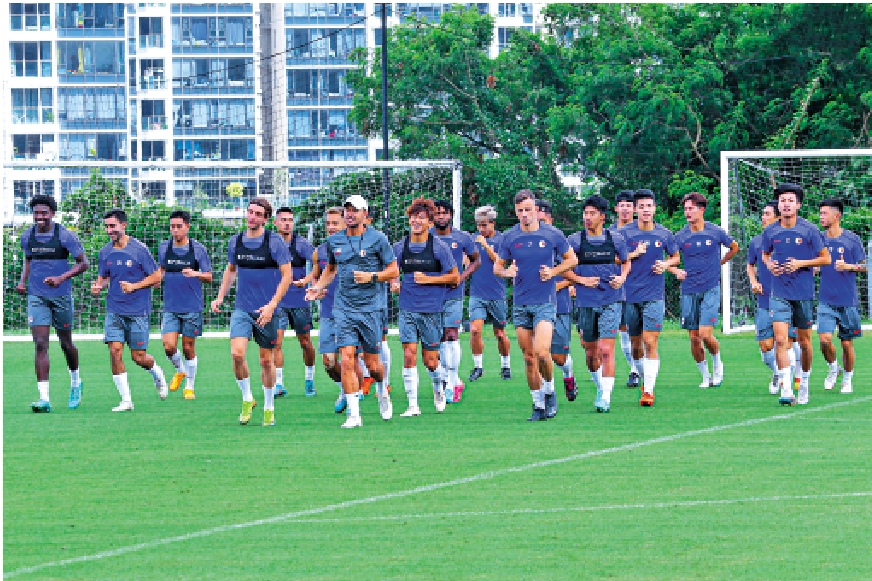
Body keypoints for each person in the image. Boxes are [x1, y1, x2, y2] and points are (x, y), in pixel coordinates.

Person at [305, 194, 399, 428]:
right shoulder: (334, 241)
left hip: (371, 309)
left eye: (354, 210)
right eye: (347, 209)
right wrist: (317, 287)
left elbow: (393, 270)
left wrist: (372, 277)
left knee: (373, 365)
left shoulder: (378, 239)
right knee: (347, 359)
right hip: (343, 308)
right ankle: (354, 414)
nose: (349, 213)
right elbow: (331, 270)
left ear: (364, 215)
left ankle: (381, 387)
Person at [494, 190, 577, 421]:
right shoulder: (510, 237)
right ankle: (538, 405)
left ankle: (550, 392)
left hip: (545, 303)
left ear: (536, 211)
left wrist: (553, 272)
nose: (524, 215)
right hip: (521, 304)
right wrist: (506, 271)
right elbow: (497, 268)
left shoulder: (552, 234)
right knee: (529, 357)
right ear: (516, 212)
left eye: (528, 210)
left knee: (542, 353)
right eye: (520, 211)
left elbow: (572, 260)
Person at [211, 198, 293, 426]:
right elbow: (230, 271)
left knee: (267, 362)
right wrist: (220, 297)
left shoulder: (274, 242)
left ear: (266, 219)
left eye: (258, 214)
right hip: (242, 310)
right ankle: (247, 398)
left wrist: (272, 305)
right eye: (250, 212)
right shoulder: (235, 241)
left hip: (268, 311)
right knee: (237, 354)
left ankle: (269, 407)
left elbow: (287, 276)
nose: (252, 217)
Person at [16, 194, 89, 413]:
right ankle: (44, 398)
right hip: (36, 296)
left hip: (61, 296)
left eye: (43, 213)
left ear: (52, 214)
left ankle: (76, 382)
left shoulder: (65, 236)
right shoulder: (27, 236)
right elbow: (28, 259)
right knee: (40, 343)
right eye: (36, 213)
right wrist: (22, 282)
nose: (39, 217)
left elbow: (83, 264)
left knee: (66, 343)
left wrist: (61, 278)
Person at [761, 183, 831, 406]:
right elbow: (764, 255)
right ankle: (787, 390)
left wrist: (802, 263)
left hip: (803, 293)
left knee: (805, 342)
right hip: (779, 292)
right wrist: (770, 264)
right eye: (782, 200)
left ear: (798, 205)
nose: (786, 204)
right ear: (778, 205)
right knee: (780, 340)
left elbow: (825, 258)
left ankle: (806, 381)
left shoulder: (809, 230)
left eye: (790, 200)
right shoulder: (770, 231)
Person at [91, 208, 167, 411]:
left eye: (113, 226)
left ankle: (157, 373)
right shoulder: (105, 252)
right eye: (107, 226)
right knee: (115, 351)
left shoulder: (139, 249)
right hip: (114, 309)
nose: (109, 230)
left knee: (138, 357)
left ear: (123, 225)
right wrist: (98, 285)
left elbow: (157, 276)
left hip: (138, 311)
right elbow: (104, 276)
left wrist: (134, 286)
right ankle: (126, 400)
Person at [390, 198, 459, 416]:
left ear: (429, 222)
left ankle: (440, 386)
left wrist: (429, 279)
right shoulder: (401, 247)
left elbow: (455, 277)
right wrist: (393, 282)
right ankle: (413, 405)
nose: (415, 221)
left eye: (421, 217)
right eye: (413, 216)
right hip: (407, 308)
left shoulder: (439, 247)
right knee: (409, 354)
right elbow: (391, 271)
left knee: (430, 361)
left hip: (431, 309)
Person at [564, 195, 631, 412]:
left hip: (611, 299)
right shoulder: (575, 240)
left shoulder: (616, 239)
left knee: (606, 349)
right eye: (585, 213)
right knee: (591, 352)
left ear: (602, 216)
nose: (588, 217)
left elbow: (627, 261)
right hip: (585, 301)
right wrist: (580, 280)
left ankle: (605, 395)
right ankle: (599, 384)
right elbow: (563, 268)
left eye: (592, 213)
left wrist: (622, 278)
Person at [671, 193, 739, 388]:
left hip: (711, 287)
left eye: (691, 208)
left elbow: (734, 247)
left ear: (701, 210)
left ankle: (718, 363)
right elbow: (669, 259)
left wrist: (720, 263)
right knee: (693, 337)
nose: (687, 212)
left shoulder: (715, 232)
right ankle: (705, 375)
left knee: (705, 334)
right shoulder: (681, 236)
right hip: (689, 289)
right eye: (685, 209)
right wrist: (676, 270)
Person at [620, 189, 680, 407]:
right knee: (636, 345)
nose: (646, 210)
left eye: (649, 206)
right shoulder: (625, 234)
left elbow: (675, 257)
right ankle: (643, 375)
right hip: (630, 295)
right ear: (636, 209)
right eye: (642, 207)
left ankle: (649, 390)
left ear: (655, 208)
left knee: (650, 341)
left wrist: (665, 264)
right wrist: (634, 254)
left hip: (654, 295)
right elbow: (616, 259)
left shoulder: (664, 234)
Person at [311, 207, 364, 413]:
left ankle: (354, 398)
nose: (331, 227)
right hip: (328, 313)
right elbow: (316, 276)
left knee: (351, 359)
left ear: (345, 224)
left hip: (353, 312)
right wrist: (317, 289)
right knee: (329, 362)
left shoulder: (359, 247)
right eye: (328, 223)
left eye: (335, 223)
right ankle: (345, 387)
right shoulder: (320, 251)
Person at [156, 210, 212, 401]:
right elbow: (161, 270)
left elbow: (209, 276)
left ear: (187, 227)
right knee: (168, 346)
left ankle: (189, 386)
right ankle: (180, 371)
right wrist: (155, 280)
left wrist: (196, 274)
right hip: (171, 306)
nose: (175, 230)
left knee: (188, 348)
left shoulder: (198, 249)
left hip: (191, 306)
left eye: (179, 226)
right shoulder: (164, 247)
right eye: (172, 226)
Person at [747, 202, 799, 394]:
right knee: (765, 346)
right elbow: (750, 265)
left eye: (767, 214)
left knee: (783, 341)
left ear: (777, 217)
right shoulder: (756, 242)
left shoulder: (790, 238)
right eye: (762, 213)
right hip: (764, 298)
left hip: (786, 297)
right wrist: (754, 281)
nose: (763, 217)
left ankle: (790, 380)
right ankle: (778, 372)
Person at [432, 199, 480, 403]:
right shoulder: (427, 237)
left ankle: (452, 383)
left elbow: (476, 259)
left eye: (445, 213)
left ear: (450, 215)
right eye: (437, 213)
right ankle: (449, 378)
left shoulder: (462, 237)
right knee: (438, 338)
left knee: (451, 334)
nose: (441, 216)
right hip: (432, 294)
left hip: (453, 293)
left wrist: (462, 276)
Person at [817, 198, 866, 394]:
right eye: (820, 213)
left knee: (846, 343)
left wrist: (849, 267)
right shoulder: (819, 239)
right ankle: (833, 368)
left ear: (836, 216)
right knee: (824, 339)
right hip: (825, 300)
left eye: (824, 213)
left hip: (848, 301)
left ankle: (847, 378)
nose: (821, 216)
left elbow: (866, 266)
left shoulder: (852, 240)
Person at [273, 206, 317, 397]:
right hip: (277, 302)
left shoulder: (301, 244)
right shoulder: (269, 244)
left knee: (306, 343)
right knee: (276, 342)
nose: (287, 223)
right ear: (275, 222)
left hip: (299, 301)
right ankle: (279, 384)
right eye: (283, 219)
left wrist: (307, 282)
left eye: (290, 219)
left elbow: (319, 263)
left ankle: (309, 380)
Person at [537, 199, 577, 401]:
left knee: (559, 356)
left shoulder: (561, 244)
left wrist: (565, 285)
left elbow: (574, 272)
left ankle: (569, 376)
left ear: (551, 220)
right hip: (535, 305)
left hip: (559, 304)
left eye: (543, 220)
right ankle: (546, 392)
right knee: (540, 353)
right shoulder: (527, 243)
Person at [468, 205, 512, 381]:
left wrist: (486, 246)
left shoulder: (503, 240)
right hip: (477, 293)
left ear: (493, 223)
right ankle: (478, 366)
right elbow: (468, 260)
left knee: (500, 334)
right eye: (479, 225)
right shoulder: (472, 239)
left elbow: (501, 264)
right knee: (475, 330)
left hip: (497, 294)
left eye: (484, 225)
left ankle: (506, 365)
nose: (481, 229)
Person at [611, 190, 638, 384]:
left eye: (629, 205)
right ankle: (634, 369)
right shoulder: (610, 233)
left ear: (634, 209)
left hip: (639, 286)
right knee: (623, 329)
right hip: (617, 285)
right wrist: (634, 254)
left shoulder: (643, 229)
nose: (625, 208)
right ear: (616, 208)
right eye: (622, 205)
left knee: (638, 331)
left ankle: (638, 369)